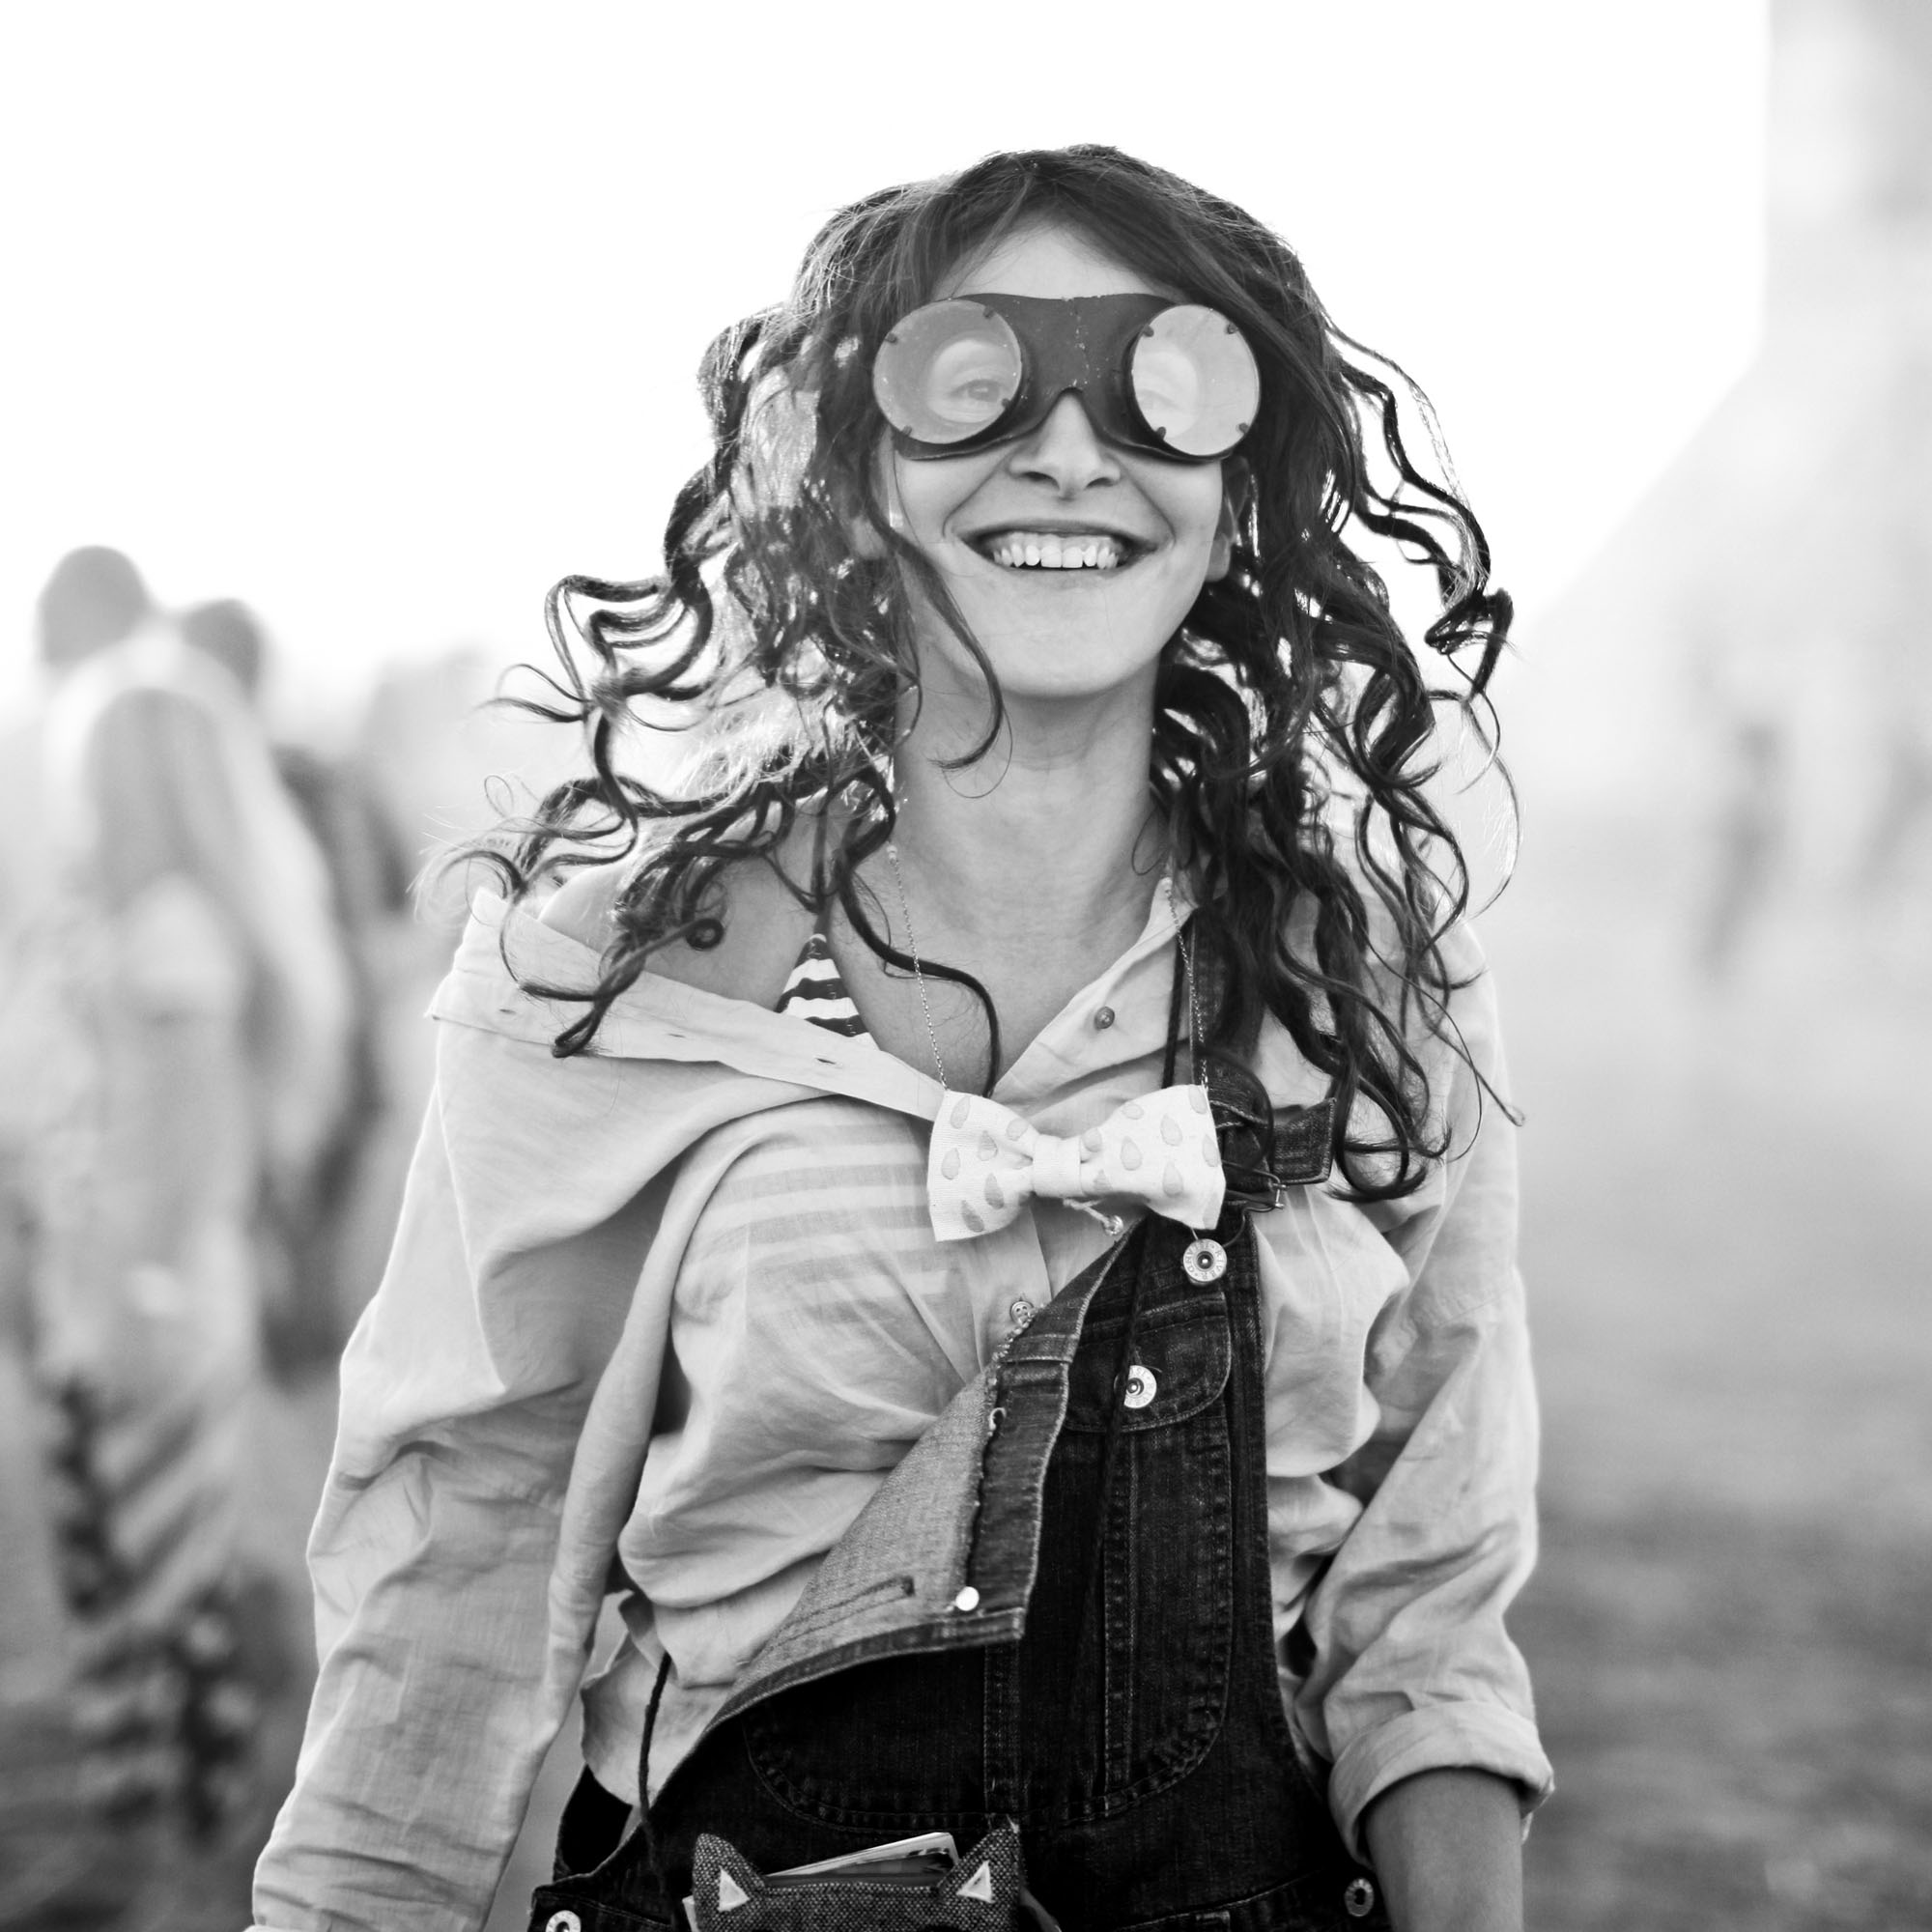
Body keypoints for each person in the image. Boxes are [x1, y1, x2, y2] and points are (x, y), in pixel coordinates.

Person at [253, 146, 1549, 1932]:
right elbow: (448, 1581)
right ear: (857, 471)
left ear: (1235, 487)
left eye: (1164, 382)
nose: (1073, 451)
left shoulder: (1369, 977)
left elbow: (1429, 1607)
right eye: (973, 375)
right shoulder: (623, 980)